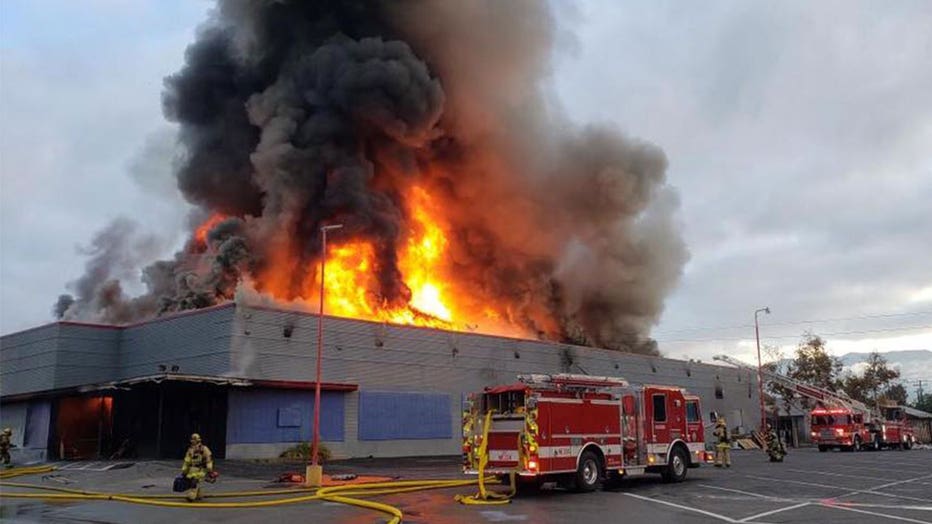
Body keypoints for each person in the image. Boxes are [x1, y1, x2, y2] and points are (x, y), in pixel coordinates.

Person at [180, 433, 216, 501]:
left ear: (198, 440)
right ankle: (199, 494)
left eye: (194, 439)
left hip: (200, 469)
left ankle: (191, 496)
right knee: (194, 482)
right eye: (192, 439)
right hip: (192, 469)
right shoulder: (190, 449)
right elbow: (187, 461)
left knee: (194, 481)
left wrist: (209, 469)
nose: (192, 441)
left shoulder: (204, 449)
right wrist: (184, 470)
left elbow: (208, 459)